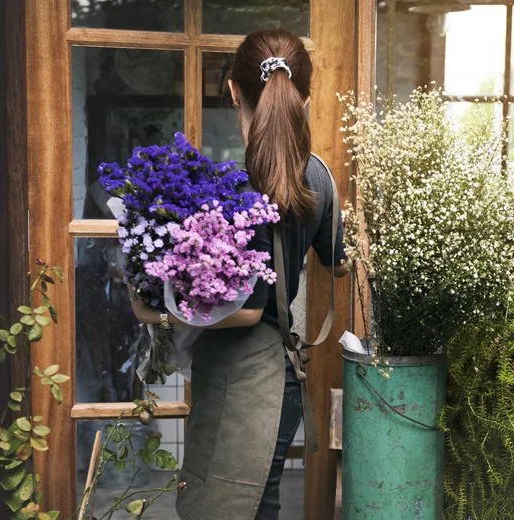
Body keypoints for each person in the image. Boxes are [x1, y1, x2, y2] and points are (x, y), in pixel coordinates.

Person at [129, 28, 348, 520]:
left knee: (223, 507)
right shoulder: (319, 177)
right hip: (284, 380)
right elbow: (339, 263)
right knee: (257, 503)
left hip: (246, 380)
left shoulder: (229, 186)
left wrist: (154, 310)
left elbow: (246, 313)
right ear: (304, 98)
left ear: (232, 90)